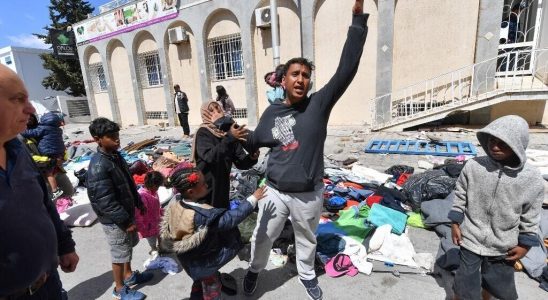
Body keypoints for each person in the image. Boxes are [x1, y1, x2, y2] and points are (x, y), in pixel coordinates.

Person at [235, 2, 368, 299]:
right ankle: (255, 271)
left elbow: (347, 69)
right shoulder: (272, 113)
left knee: (307, 239)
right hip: (275, 191)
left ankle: (307, 275)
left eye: (306, 75)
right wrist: (235, 138)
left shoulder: (318, 105)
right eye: (295, 74)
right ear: (283, 80)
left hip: (308, 193)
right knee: (262, 237)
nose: (301, 79)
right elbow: (256, 141)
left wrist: (357, 22)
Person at [0, 64, 79, 299]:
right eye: (18, 99)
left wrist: (65, 246)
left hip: (49, 284)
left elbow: (44, 203)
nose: (30, 108)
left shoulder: (18, 148)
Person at [449, 115, 544, 300]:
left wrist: (525, 244)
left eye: (503, 143)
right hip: (470, 237)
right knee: (464, 284)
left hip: (503, 245)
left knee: (497, 287)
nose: (495, 146)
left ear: (518, 144)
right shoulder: (474, 166)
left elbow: (531, 214)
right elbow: (460, 193)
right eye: (492, 140)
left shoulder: (531, 179)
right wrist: (455, 223)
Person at [160, 166, 267, 300]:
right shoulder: (203, 216)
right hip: (204, 262)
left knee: (199, 281)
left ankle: (196, 295)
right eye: (203, 183)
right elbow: (230, 219)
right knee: (212, 289)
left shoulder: (176, 202)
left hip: (188, 260)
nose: (207, 184)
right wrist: (252, 199)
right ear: (191, 191)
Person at [86, 117, 153, 300]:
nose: (117, 139)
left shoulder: (115, 156)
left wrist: (138, 202)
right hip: (115, 220)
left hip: (126, 213)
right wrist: (124, 221)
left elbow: (128, 183)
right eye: (111, 136)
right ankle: (119, 288)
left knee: (127, 248)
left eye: (117, 135)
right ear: (97, 139)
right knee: (119, 253)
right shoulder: (99, 166)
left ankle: (129, 275)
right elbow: (104, 200)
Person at [192, 100, 259, 209]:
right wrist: (230, 138)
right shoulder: (203, 132)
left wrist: (251, 158)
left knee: (221, 214)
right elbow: (210, 157)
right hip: (205, 185)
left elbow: (240, 161)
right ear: (205, 115)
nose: (216, 112)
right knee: (206, 216)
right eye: (211, 111)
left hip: (222, 185)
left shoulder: (229, 132)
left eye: (217, 108)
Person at [22, 111, 66, 200]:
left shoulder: (40, 129)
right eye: (26, 117)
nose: (29, 118)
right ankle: (55, 191)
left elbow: (29, 133)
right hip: (41, 169)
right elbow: (30, 157)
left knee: (68, 191)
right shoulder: (56, 129)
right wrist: (53, 160)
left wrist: (62, 157)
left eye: (31, 116)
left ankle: (56, 191)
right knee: (48, 199)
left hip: (54, 163)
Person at [135, 171, 165, 257]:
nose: (158, 188)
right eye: (158, 186)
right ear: (153, 185)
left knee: (160, 234)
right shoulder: (142, 195)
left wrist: (161, 211)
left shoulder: (153, 192)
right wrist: (140, 225)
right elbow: (139, 213)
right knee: (151, 237)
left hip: (157, 218)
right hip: (148, 223)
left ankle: (162, 247)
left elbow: (157, 204)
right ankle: (153, 248)